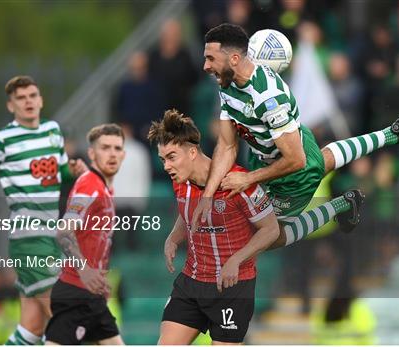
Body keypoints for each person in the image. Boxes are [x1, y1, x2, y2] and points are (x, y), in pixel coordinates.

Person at [147, 110, 366, 344]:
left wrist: (236, 260)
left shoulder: (238, 182)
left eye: (171, 157)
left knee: (282, 234)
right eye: (163, 160)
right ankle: (340, 206)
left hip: (231, 288)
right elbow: (188, 211)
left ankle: (341, 205)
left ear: (192, 152)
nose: (166, 166)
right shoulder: (180, 181)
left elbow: (270, 230)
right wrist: (173, 237)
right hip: (192, 283)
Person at [191, 23, 399, 236]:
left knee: (270, 234)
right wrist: (208, 195)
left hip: (292, 167)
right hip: (268, 153)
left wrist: (248, 178)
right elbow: (227, 144)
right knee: (322, 161)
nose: (206, 66)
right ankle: (392, 134)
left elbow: (296, 161)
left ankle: (339, 206)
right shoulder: (227, 83)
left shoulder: (269, 98)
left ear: (235, 58)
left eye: (211, 59)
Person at [0, 75, 87, 345]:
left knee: (31, 328)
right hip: (30, 240)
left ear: (40, 100)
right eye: (20, 98)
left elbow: (58, 173)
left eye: (32, 96)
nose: (28, 101)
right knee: (64, 318)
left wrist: (71, 171)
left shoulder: (52, 131)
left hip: (52, 236)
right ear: (10, 106)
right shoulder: (1, 139)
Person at [45, 124, 126, 345]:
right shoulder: (90, 186)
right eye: (105, 147)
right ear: (91, 153)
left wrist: (96, 275)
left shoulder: (105, 189)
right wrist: (85, 270)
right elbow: (63, 232)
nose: (112, 154)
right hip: (76, 293)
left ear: (124, 154)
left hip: (91, 294)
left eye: (117, 148)